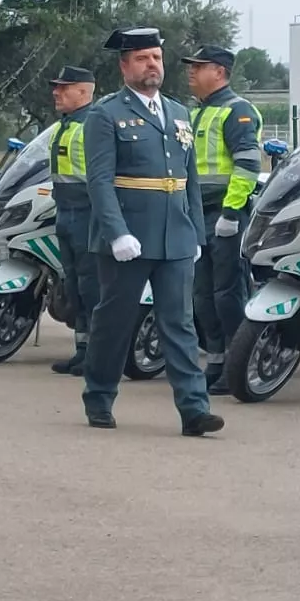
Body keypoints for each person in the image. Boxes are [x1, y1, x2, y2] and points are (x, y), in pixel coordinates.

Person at [79, 28, 221, 437]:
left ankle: (194, 410)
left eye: (156, 57)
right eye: (142, 59)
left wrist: (195, 233)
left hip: (175, 235)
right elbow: (99, 181)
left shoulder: (178, 112)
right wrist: (116, 233)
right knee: (115, 321)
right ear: (124, 66)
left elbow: (189, 178)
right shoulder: (106, 114)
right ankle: (99, 396)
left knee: (179, 324)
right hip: (129, 237)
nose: (152, 65)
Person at [183, 46, 264, 393]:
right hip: (196, 215)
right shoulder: (196, 114)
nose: (191, 72)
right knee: (201, 295)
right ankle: (215, 360)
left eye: (198, 67)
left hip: (223, 214)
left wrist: (231, 213)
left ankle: (236, 362)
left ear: (219, 72)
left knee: (227, 293)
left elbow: (247, 165)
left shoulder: (237, 110)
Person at [47, 66, 98, 375]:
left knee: (92, 287)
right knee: (74, 285)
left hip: (88, 214)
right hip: (65, 212)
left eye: (63, 87)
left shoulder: (92, 125)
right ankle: (82, 349)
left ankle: (97, 353)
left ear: (83, 91)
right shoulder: (64, 125)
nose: (56, 92)